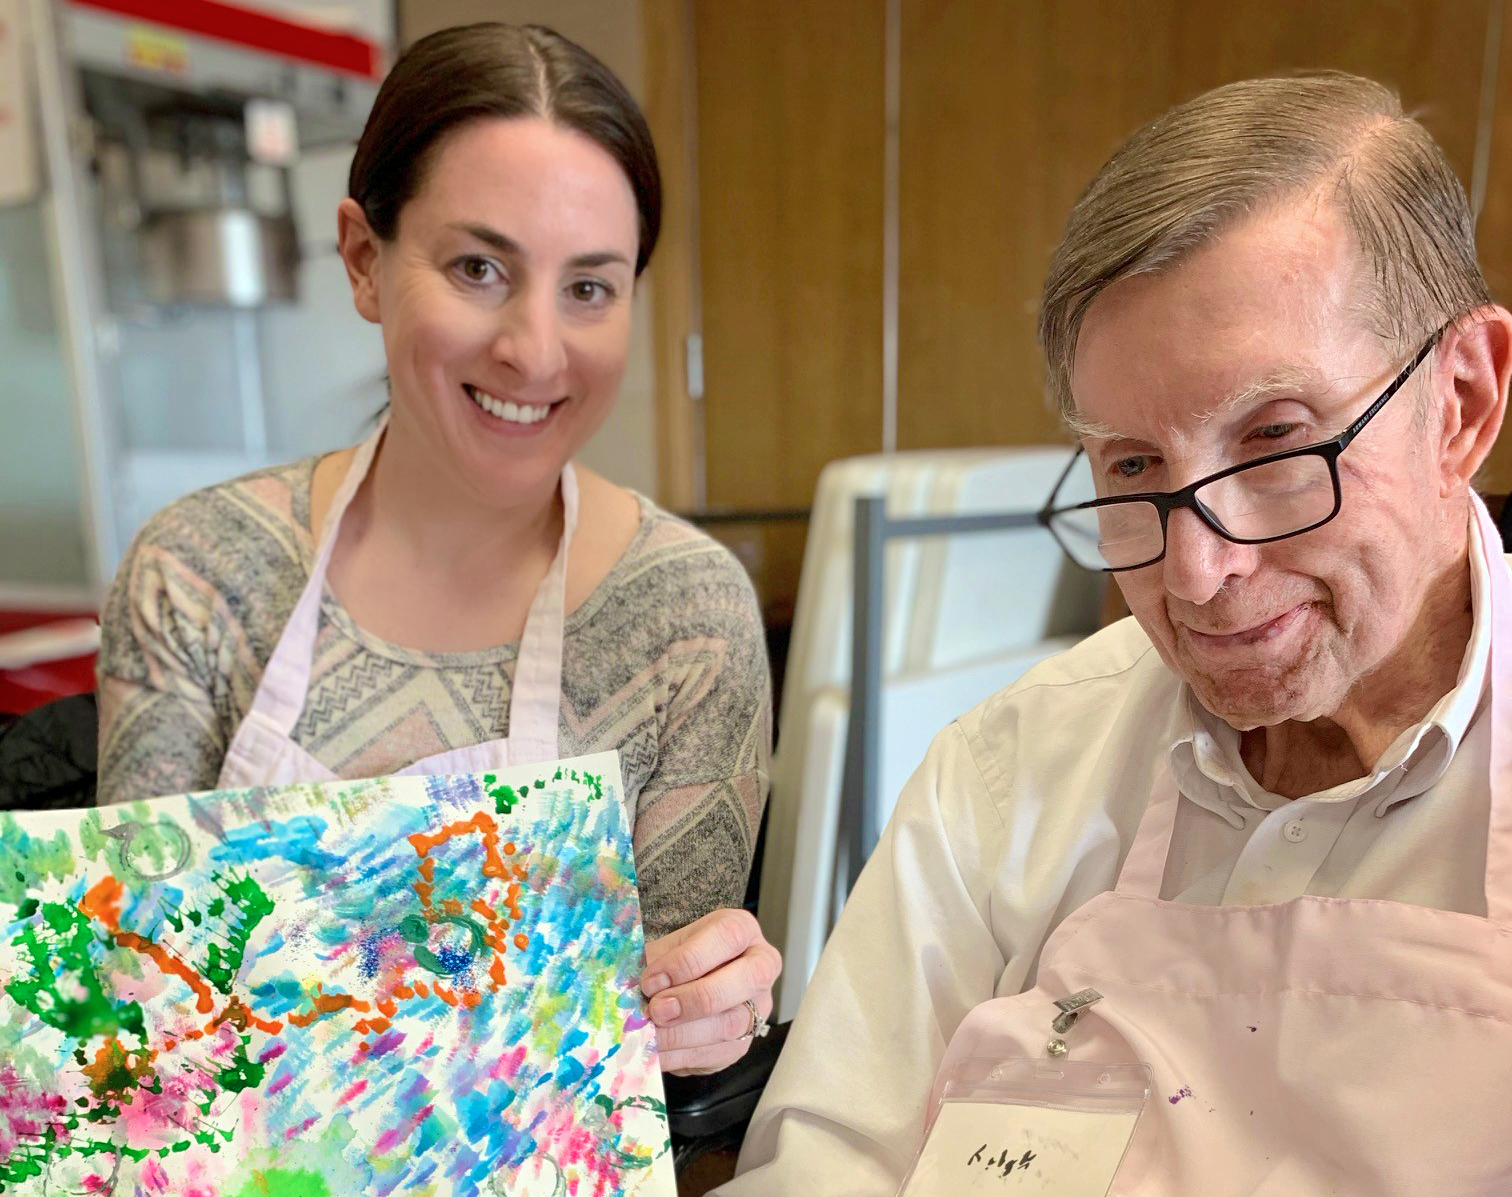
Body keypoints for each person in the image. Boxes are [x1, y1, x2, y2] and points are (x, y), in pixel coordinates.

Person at [725, 71, 1512, 1193]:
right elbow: (828, 1160)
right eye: (1134, 466)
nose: (1197, 573)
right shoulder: (1009, 775)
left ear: (1467, 401)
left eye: (1278, 442)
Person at [95, 23, 780, 1077]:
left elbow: (664, 1050)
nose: (536, 349)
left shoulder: (686, 615)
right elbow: (125, 1002)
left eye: (588, 287)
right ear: (366, 261)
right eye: (478, 267)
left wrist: (703, 1010)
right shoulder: (199, 572)